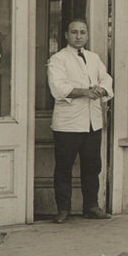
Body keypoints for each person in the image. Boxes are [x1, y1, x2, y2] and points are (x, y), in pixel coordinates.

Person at [47, 19, 113, 222]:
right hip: (68, 124)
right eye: (74, 32)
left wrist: (101, 90)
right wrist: (85, 91)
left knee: (93, 166)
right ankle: (63, 209)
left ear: (87, 36)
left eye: (82, 32)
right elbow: (58, 88)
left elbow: (106, 79)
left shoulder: (94, 58)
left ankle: (91, 206)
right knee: (64, 167)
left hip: (92, 122)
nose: (78, 36)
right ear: (66, 35)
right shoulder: (58, 59)